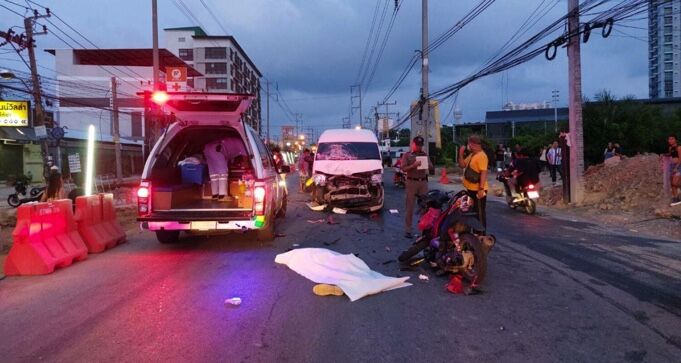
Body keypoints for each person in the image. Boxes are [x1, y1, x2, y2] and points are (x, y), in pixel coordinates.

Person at [401, 136, 434, 239]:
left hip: (422, 182)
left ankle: (424, 229)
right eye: (417, 145)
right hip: (411, 182)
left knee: (425, 206)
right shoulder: (407, 155)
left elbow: (432, 167)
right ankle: (408, 229)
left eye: (421, 145)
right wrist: (413, 165)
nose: (419, 147)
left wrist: (428, 165)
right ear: (413, 144)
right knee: (410, 206)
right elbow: (403, 168)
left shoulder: (424, 155)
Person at [458, 135, 489, 229]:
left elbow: (484, 173)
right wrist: (460, 153)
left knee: (479, 213)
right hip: (471, 189)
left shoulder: (482, 156)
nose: (467, 146)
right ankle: (475, 233)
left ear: (472, 144)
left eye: (468, 144)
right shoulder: (473, 155)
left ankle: (481, 235)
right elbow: (462, 165)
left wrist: (481, 189)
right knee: (472, 212)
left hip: (478, 189)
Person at [667, 136, 681, 206]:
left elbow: (680, 159)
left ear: (675, 140)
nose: (670, 140)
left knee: (675, 183)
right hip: (671, 166)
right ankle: (676, 198)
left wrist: (676, 167)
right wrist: (664, 155)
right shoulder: (670, 148)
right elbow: (670, 155)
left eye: (672, 139)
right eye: (669, 139)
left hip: (678, 166)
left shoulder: (679, 147)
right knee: (672, 184)